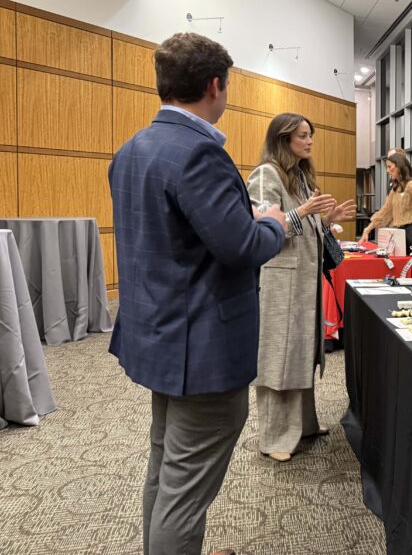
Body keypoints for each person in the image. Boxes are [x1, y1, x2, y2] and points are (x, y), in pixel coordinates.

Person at [108, 32, 287, 555]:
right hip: (201, 348)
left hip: (160, 335)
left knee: (166, 467)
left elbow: (175, 233)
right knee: (184, 491)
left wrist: (241, 219)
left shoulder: (133, 148)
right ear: (215, 85)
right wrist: (272, 223)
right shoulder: (200, 153)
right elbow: (241, 246)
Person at [248, 113, 355, 462]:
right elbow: (262, 228)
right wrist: (304, 211)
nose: (309, 142)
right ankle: (274, 437)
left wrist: (327, 219)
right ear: (283, 139)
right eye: (302, 136)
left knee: (302, 353)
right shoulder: (266, 174)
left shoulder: (301, 179)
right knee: (279, 356)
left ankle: (303, 425)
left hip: (303, 283)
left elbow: (306, 228)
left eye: (311, 135)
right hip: (280, 283)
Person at [360, 153, 412, 248]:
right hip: (399, 233)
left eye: (389, 167)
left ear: (399, 166)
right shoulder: (395, 189)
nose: (387, 171)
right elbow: (384, 212)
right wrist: (367, 230)